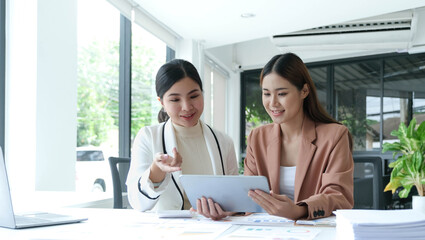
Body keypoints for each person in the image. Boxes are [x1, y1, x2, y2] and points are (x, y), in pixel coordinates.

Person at [245, 53, 354, 220]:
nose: (272, 103)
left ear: (304, 91)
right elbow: (249, 196)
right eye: (266, 94)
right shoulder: (257, 137)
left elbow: (339, 197)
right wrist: (226, 208)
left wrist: (299, 210)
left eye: (281, 94)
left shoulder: (335, 136)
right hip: (267, 231)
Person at [126, 59, 239, 213]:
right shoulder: (148, 137)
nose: (187, 107)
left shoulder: (224, 141)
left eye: (193, 96)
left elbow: (235, 199)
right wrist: (156, 171)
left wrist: (226, 211)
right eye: (175, 100)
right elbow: (137, 203)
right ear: (162, 103)